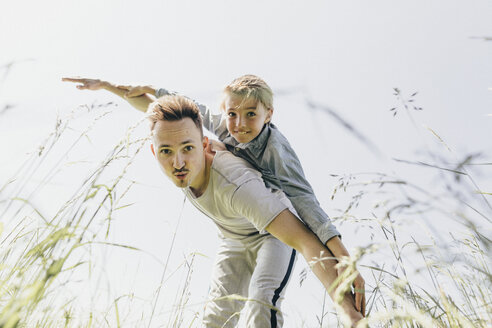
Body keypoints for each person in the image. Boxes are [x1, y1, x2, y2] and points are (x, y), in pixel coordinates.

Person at [62, 77, 366, 324]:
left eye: (187, 149)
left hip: (272, 233)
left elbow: (305, 229)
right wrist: (110, 86)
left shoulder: (247, 180)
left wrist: (347, 303)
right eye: (166, 151)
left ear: (203, 145)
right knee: (215, 320)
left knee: (261, 302)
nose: (178, 162)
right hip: (233, 238)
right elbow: (171, 112)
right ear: (155, 151)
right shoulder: (209, 131)